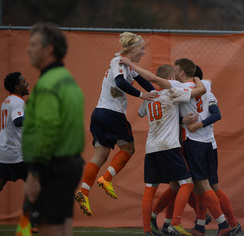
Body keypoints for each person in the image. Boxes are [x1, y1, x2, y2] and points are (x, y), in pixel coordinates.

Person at [147, 63, 238, 236]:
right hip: (204, 144)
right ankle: (200, 225)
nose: (174, 75)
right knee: (192, 186)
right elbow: (213, 108)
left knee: (195, 185)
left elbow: (216, 114)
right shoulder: (205, 87)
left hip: (189, 143)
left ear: (181, 73)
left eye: (176, 70)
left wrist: (196, 124)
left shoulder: (179, 88)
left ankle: (224, 224)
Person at [119, 58, 205, 236]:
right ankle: (175, 223)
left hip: (152, 148)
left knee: (150, 189)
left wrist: (180, 119)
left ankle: (146, 230)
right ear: (171, 77)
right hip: (169, 146)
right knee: (187, 184)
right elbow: (198, 92)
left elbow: (141, 113)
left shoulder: (151, 96)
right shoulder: (173, 92)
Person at [75, 32, 156, 216]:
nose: (143, 52)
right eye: (142, 48)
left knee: (101, 155)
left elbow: (146, 83)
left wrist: (160, 93)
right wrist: (142, 95)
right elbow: (120, 82)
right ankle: (107, 179)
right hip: (111, 114)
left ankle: (84, 192)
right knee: (128, 149)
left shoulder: (128, 65)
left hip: (99, 113)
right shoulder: (119, 61)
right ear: (132, 48)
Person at [23, 23, 85, 236]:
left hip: (53, 166)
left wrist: (34, 174)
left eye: (33, 44)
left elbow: (47, 130)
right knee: (63, 227)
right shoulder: (68, 81)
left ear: (48, 49)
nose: (28, 50)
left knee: (49, 229)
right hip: (70, 164)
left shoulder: (48, 84)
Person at [0, 72, 29, 192]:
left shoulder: (6, 101)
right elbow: (17, 121)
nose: (27, 83)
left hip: (4, 151)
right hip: (16, 154)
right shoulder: (18, 101)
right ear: (17, 87)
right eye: (23, 81)